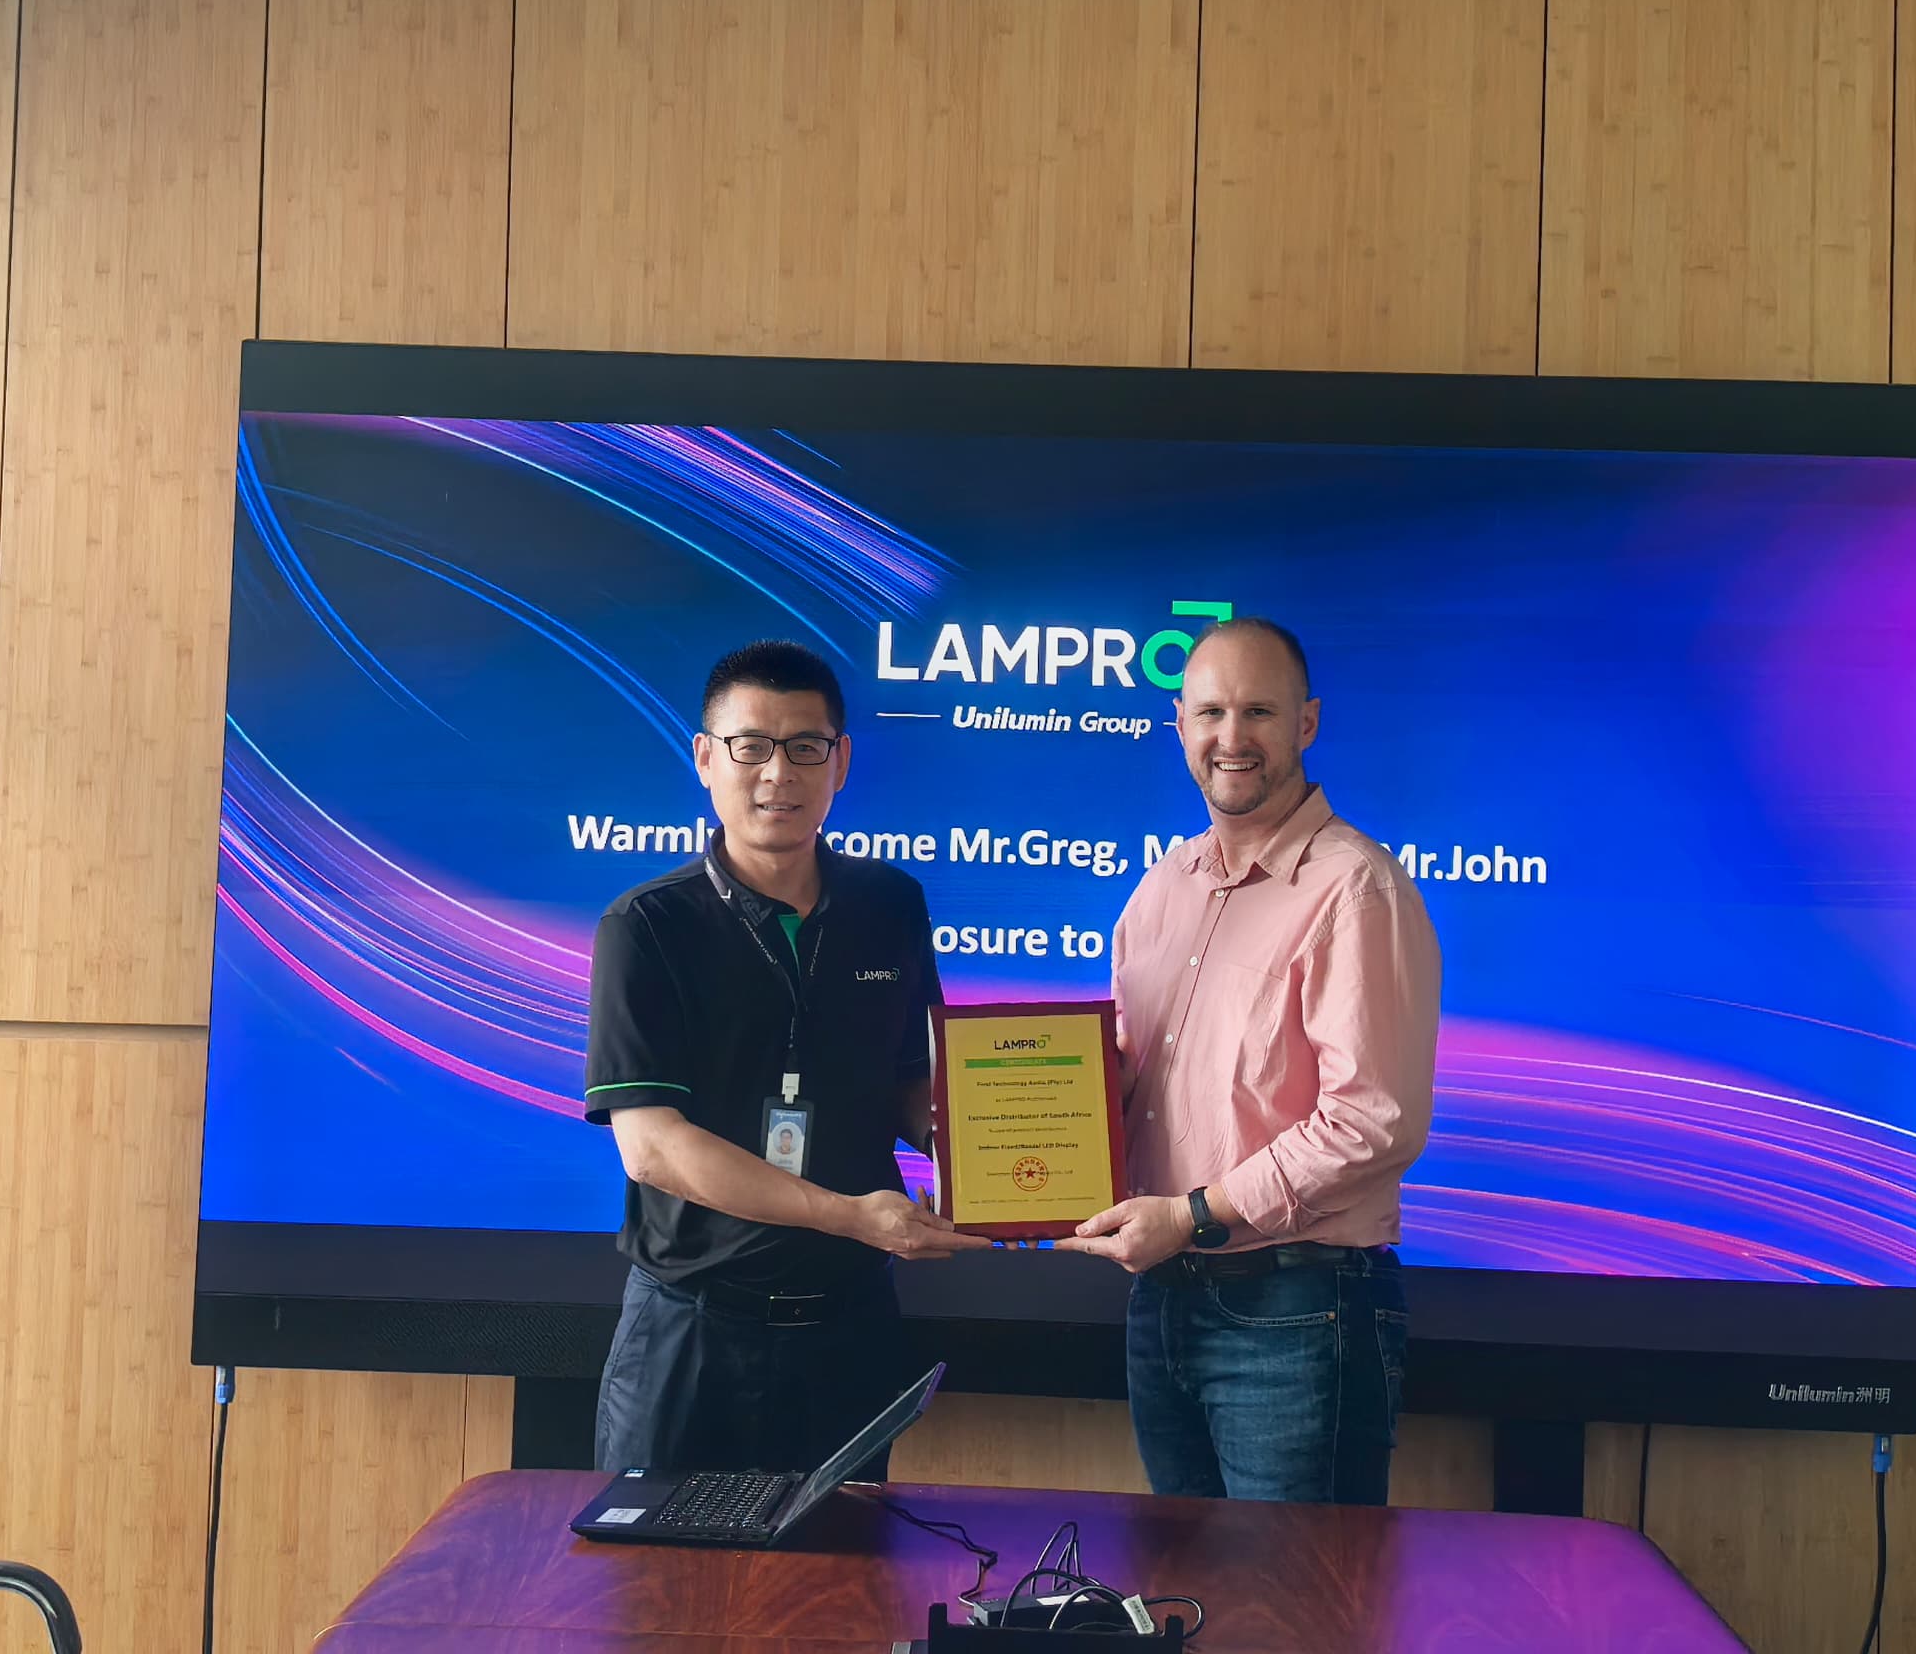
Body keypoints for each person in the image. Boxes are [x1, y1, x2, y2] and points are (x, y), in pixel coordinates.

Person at [1058, 617, 1440, 1504]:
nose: (1232, 737)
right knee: (1185, 1578)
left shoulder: (1356, 888)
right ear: (1180, 726)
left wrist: (1192, 1214)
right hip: (1163, 1300)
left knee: (1292, 1589)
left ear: (1306, 723)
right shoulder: (1162, 890)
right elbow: (1135, 1085)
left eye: (1259, 712)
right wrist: (1016, 1125)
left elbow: (1372, 1122)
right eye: (1211, 713)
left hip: (1298, 1308)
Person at [584, 638, 968, 1473]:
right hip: (690, 1333)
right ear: (705, 759)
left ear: (842, 762)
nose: (778, 774)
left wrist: (991, 1152)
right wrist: (851, 1215)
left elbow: (911, 1078)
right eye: (750, 746)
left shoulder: (889, 905)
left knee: (845, 1558)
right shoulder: (647, 928)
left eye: (805, 747)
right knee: (655, 1560)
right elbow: (653, 1149)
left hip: (848, 1331)